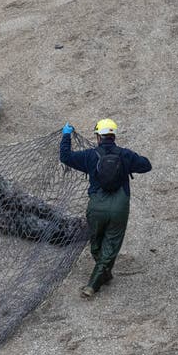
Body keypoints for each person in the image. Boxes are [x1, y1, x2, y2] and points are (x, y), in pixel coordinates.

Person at [59, 119, 152, 298]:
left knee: (96, 244)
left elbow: (65, 157)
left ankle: (100, 277)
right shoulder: (125, 154)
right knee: (112, 243)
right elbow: (146, 165)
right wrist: (131, 161)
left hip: (96, 206)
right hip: (119, 206)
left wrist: (66, 135)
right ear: (113, 136)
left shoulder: (89, 155)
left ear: (98, 137)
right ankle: (95, 282)